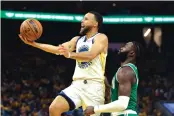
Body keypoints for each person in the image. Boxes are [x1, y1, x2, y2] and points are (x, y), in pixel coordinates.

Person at [18, 11, 108, 116]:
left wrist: (70, 54)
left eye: (86, 19)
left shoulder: (101, 38)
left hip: (94, 87)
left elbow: (90, 55)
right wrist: (34, 44)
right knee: (54, 108)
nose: (82, 21)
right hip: (77, 85)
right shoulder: (77, 40)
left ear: (95, 24)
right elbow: (57, 50)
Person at [84, 42, 143, 116]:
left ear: (131, 53)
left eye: (125, 46)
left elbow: (122, 104)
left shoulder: (126, 71)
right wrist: (108, 87)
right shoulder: (128, 70)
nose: (121, 47)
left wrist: (95, 109)